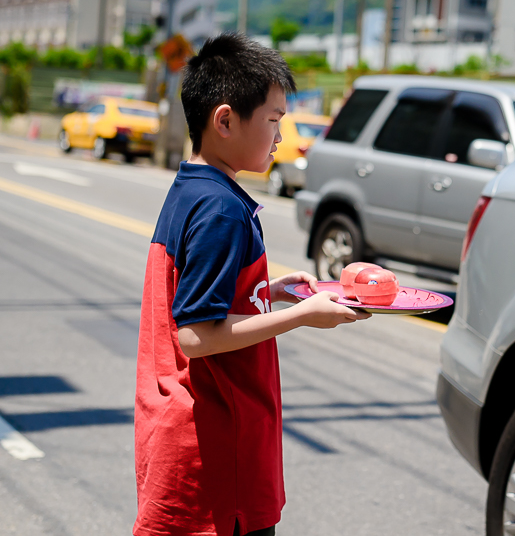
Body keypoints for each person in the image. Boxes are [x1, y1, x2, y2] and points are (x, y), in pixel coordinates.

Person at [134, 33, 369, 536]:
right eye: (273, 120)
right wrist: (303, 315)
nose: (280, 136)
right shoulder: (222, 209)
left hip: (185, 444)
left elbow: (199, 298)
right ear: (224, 120)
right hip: (216, 462)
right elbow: (196, 335)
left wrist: (273, 291)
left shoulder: (192, 189)